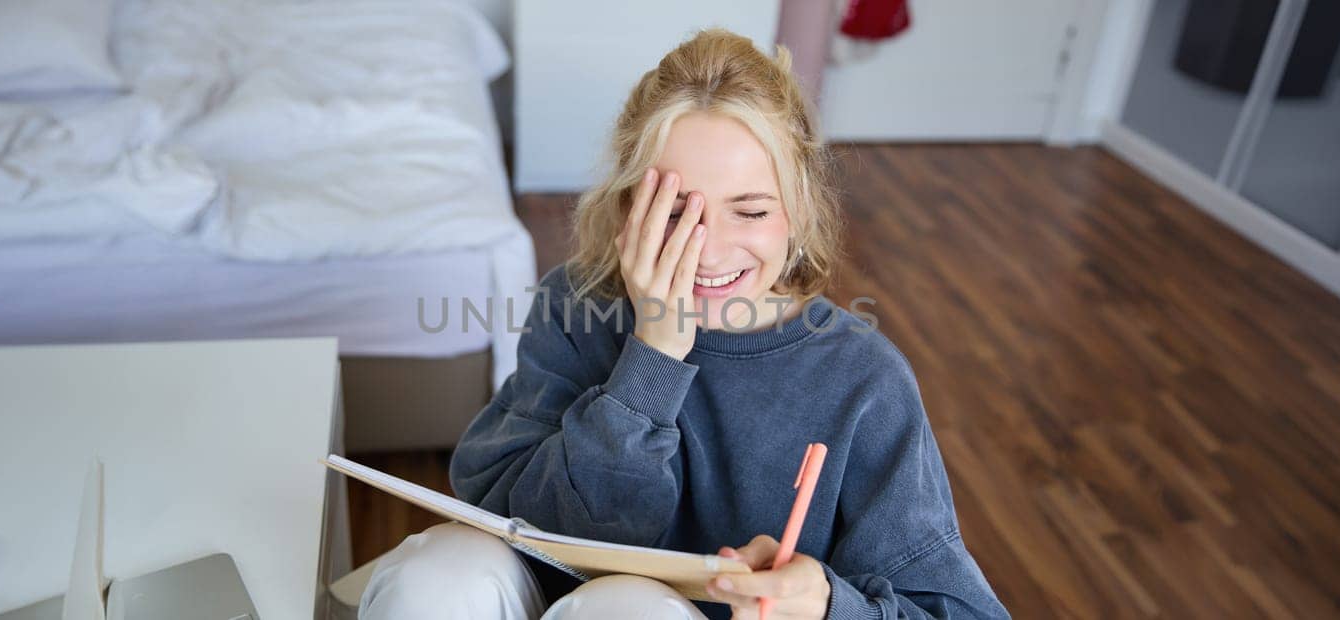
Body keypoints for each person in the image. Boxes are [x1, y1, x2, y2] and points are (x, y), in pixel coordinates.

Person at [359, 28, 1008, 620]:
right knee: (439, 569)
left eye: (749, 212)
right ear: (626, 209)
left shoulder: (863, 380)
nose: (709, 250)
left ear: (800, 211)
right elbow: (509, 514)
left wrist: (829, 606)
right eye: (674, 214)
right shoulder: (575, 309)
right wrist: (654, 356)